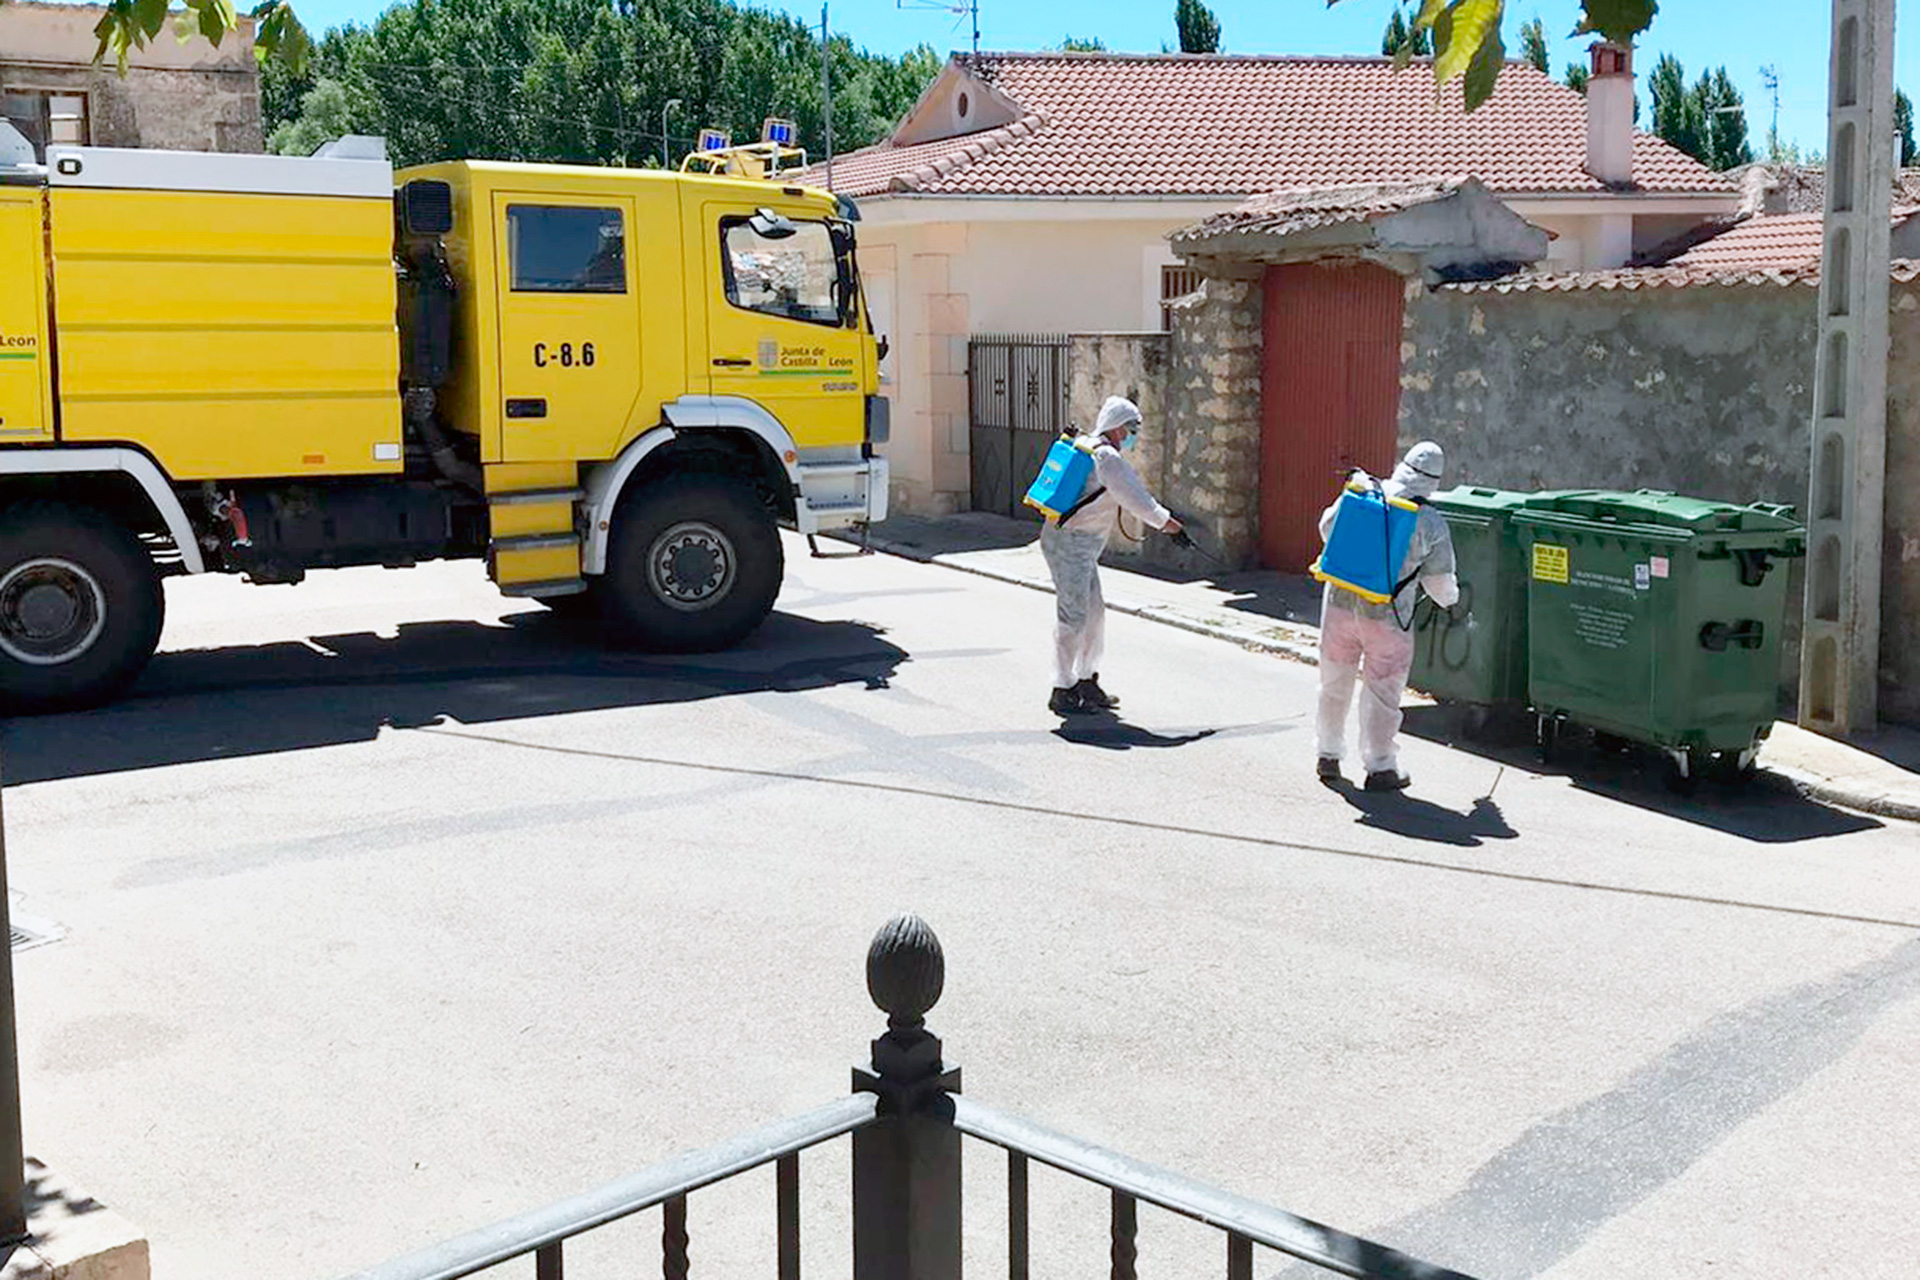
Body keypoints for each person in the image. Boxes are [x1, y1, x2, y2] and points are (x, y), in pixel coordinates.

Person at [1315, 440, 1459, 791]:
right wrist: (1452, 601)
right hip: (1388, 618)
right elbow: (1441, 588)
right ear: (1435, 481)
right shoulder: (1430, 520)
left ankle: (1328, 755)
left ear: (1402, 464)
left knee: (1334, 683)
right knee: (1382, 692)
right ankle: (1380, 767)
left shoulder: (1364, 490)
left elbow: (1326, 529)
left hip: (1338, 606)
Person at [1040, 396, 1183, 715]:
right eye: (1132, 428)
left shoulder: (1089, 446)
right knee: (1074, 615)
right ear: (1118, 427)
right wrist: (1170, 525)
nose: (1134, 434)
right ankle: (1062, 688)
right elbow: (1136, 499)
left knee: (1094, 613)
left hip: (1077, 544)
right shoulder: (1106, 457)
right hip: (1071, 543)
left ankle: (1087, 680)